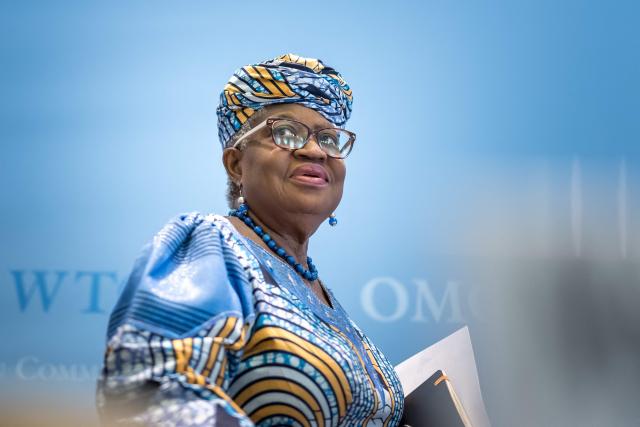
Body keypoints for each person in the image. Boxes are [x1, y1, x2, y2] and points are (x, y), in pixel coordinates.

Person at [97, 53, 404, 427]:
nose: (315, 150)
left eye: (330, 139)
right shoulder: (211, 246)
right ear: (236, 164)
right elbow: (150, 395)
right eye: (286, 132)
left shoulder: (325, 298)